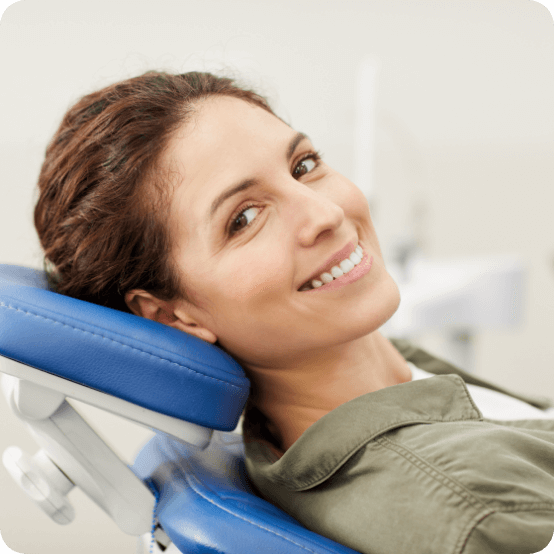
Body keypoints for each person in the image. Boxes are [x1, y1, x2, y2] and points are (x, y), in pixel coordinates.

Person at [34, 70, 554, 554]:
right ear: (173, 317)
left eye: (303, 166)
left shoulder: (382, 383)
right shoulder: (475, 506)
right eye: (245, 218)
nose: (326, 213)